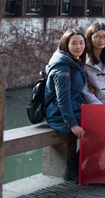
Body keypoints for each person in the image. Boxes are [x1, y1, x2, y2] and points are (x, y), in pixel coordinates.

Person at [44, 29, 87, 181]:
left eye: (81, 43)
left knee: (104, 124)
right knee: (100, 130)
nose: (78, 47)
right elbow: (63, 100)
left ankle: (81, 166)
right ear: (65, 45)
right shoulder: (63, 68)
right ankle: (72, 168)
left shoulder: (72, 62)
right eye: (74, 43)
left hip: (75, 109)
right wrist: (73, 125)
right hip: (60, 115)